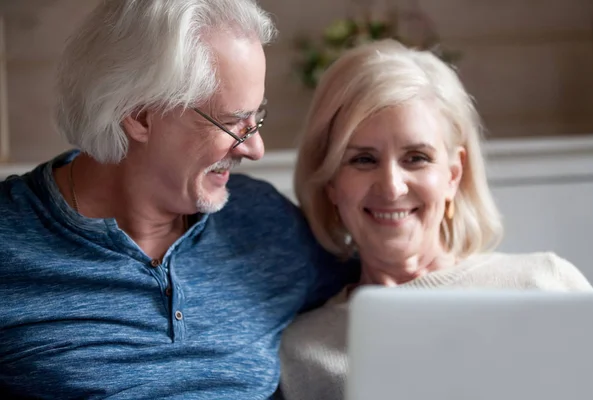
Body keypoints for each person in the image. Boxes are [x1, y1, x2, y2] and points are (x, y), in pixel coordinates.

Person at [0, 1, 357, 398]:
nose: (254, 148)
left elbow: (383, 279)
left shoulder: (263, 221)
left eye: (257, 116)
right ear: (139, 117)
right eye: (231, 121)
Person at [278, 39, 593, 400]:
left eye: (416, 157)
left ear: (454, 174)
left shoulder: (546, 284)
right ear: (332, 183)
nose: (392, 188)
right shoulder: (301, 353)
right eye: (363, 159)